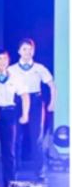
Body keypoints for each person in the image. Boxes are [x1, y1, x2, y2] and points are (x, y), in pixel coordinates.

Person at [8, 38, 57, 179]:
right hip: (18, 102)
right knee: (16, 137)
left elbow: (52, 85)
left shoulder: (39, 68)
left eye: (30, 49)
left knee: (37, 138)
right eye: (24, 49)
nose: (28, 52)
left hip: (35, 101)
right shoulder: (11, 69)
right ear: (19, 51)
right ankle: (14, 171)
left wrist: (52, 102)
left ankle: (40, 172)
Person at [0, 49, 30, 187]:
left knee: (9, 149)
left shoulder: (15, 77)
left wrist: (25, 114)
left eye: (5, 58)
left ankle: (10, 183)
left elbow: (24, 95)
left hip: (9, 113)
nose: (3, 61)